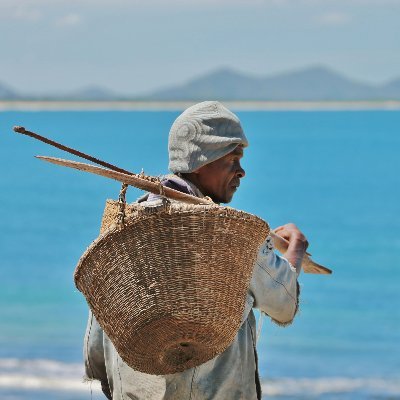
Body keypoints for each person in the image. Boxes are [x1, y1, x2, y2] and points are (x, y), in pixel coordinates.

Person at [83, 101, 308, 400]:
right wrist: (295, 251)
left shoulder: (121, 230)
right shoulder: (231, 236)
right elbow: (283, 303)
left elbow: (95, 355)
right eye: (233, 159)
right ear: (202, 161)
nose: (241, 172)